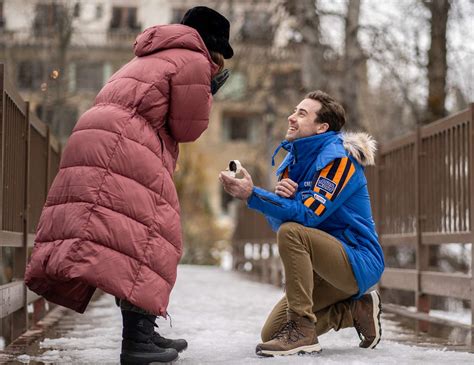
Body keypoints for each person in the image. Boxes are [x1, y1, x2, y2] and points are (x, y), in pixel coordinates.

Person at [25, 6, 233, 364]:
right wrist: (208, 90)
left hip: (100, 136)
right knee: (150, 237)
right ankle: (137, 341)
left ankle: (142, 331)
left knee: (136, 237)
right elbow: (188, 128)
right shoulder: (194, 61)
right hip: (127, 143)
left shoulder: (150, 55)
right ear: (212, 44)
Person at [219, 91, 385, 357]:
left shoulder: (340, 159)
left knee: (292, 232)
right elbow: (280, 223)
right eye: (295, 111)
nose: (291, 117)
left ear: (322, 127)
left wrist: (254, 195)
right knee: (272, 334)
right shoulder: (291, 164)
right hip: (321, 267)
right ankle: (354, 310)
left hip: (357, 261)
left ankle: (304, 332)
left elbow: (307, 217)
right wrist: (278, 199)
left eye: (301, 113)